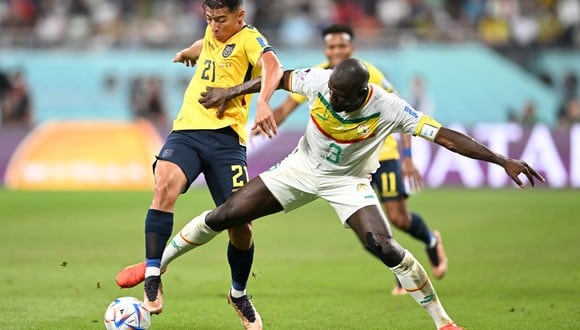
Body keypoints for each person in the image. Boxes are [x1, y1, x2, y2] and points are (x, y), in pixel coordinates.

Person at [123, 59, 544, 329]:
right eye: (334, 97)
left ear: (363, 94)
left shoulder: (389, 107)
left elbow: (446, 137)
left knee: (385, 246)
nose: (337, 103)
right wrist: (230, 92)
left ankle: (444, 322)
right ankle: (156, 268)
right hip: (300, 169)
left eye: (345, 99)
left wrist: (501, 159)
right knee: (226, 215)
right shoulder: (320, 81)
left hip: (349, 182)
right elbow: (278, 78)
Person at [115, 1, 283, 328]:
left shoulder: (250, 39)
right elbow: (205, 45)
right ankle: (153, 276)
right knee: (164, 184)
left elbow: (274, 67)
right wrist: (190, 51)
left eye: (221, 20)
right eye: (210, 19)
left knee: (241, 225)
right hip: (187, 131)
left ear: (240, 16)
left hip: (227, 141)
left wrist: (262, 102)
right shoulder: (211, 31)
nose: (215, 26)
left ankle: (238, 293)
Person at [252, 24, 446, 296]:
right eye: (331, 46)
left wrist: (406, 158)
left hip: (383, 153)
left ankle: (430, 239)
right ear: (325, 49)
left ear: (351, 48)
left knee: (398, 218)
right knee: (366, 234)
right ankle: (400, 271)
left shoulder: (369, 73)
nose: (336, 51)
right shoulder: (319, 76)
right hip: (345, 164)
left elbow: (403, 113)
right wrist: (264, 122)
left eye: (342, 46)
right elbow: (285, 107)